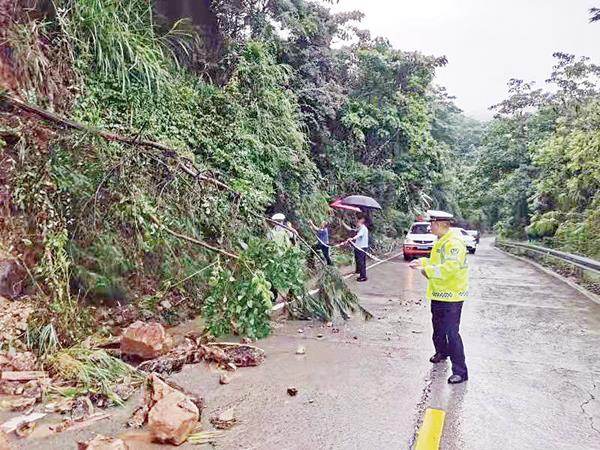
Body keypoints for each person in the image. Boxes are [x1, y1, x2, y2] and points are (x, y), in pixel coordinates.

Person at [409, 210, 469, 384]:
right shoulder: (441, 240)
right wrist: (422, 262)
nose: (430, 227)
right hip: (438, 293)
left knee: (452, 333)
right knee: (438, 328)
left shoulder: (454, 243)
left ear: (441, 224)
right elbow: (436, 262)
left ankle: (460, 371)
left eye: (432, 223)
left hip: (452, 296)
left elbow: (450, 268)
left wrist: (425, 270)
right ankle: (442, 352)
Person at [346, 215, 369, 282]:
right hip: (358, 247)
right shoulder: (359, 228)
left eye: (358, 220)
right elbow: (352, 230)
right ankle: (358, 271)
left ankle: (363, 277)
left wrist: (352, 238)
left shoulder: (363, 228)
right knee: (358, 260)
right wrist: (343, 223)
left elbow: (359, 235)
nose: (357, 222)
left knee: (361, 262)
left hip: (362, 247)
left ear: (362, 220)